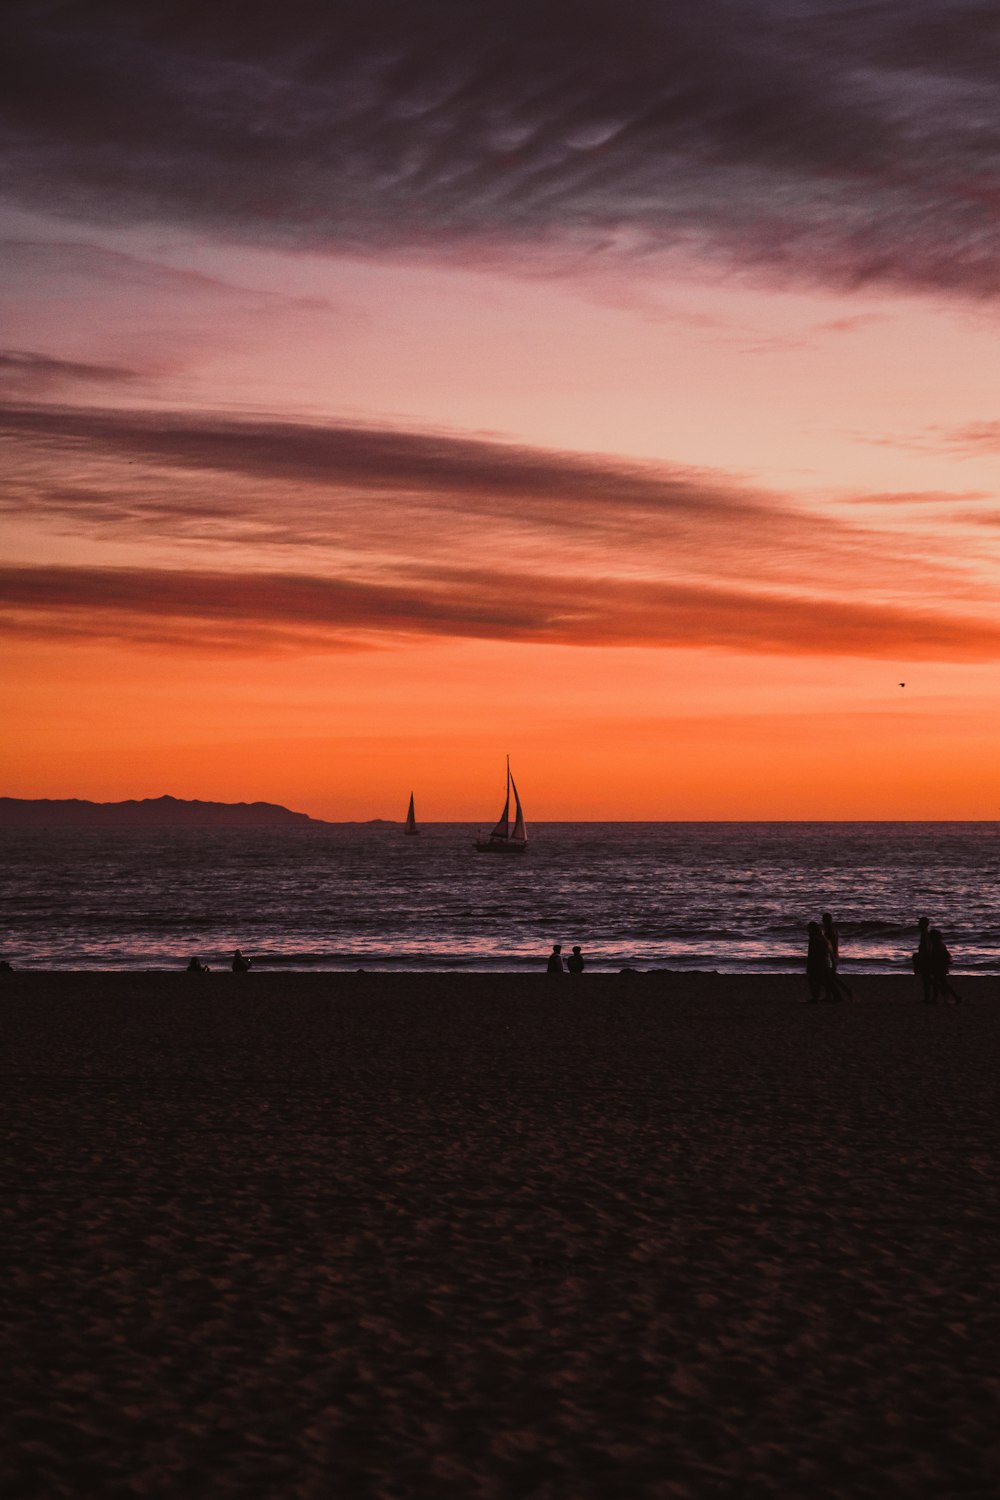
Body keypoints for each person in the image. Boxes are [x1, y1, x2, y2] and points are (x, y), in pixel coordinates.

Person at [821, 912, 853, 1000]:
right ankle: (842, 991)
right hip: (834, 955)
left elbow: (829, 946)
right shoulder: (834, 930)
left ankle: (843, 991)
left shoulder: (829, 932)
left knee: (829, 976)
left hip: (830, 956)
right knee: (830, 976)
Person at [927, 928, 961, 1005]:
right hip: (942, 966)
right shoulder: (940, 944)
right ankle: (954, 997)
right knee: (942, 983)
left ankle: (936, 999)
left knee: (938, 983)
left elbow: (935, 957)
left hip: (939, 967)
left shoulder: (937, 945)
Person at [806, 922, 839, 1002]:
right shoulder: (823, 939)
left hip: (817, 963)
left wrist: (809, 965)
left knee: (814, 980)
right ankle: (833, 996)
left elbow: (811, 953)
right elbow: (828, 952)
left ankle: (816, 997)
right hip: (824, 962)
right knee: (823, 981)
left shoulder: (814, 939)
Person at [913, 916, 933, 1002]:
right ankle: (928, 998)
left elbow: (926, 948)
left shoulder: (925, 934)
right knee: (927, 979)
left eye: (920, 923)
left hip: (925, 959)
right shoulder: (925, 934)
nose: (918, 925)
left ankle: (927, 998)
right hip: (926, 958)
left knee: (926, 979)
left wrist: (922, 957)